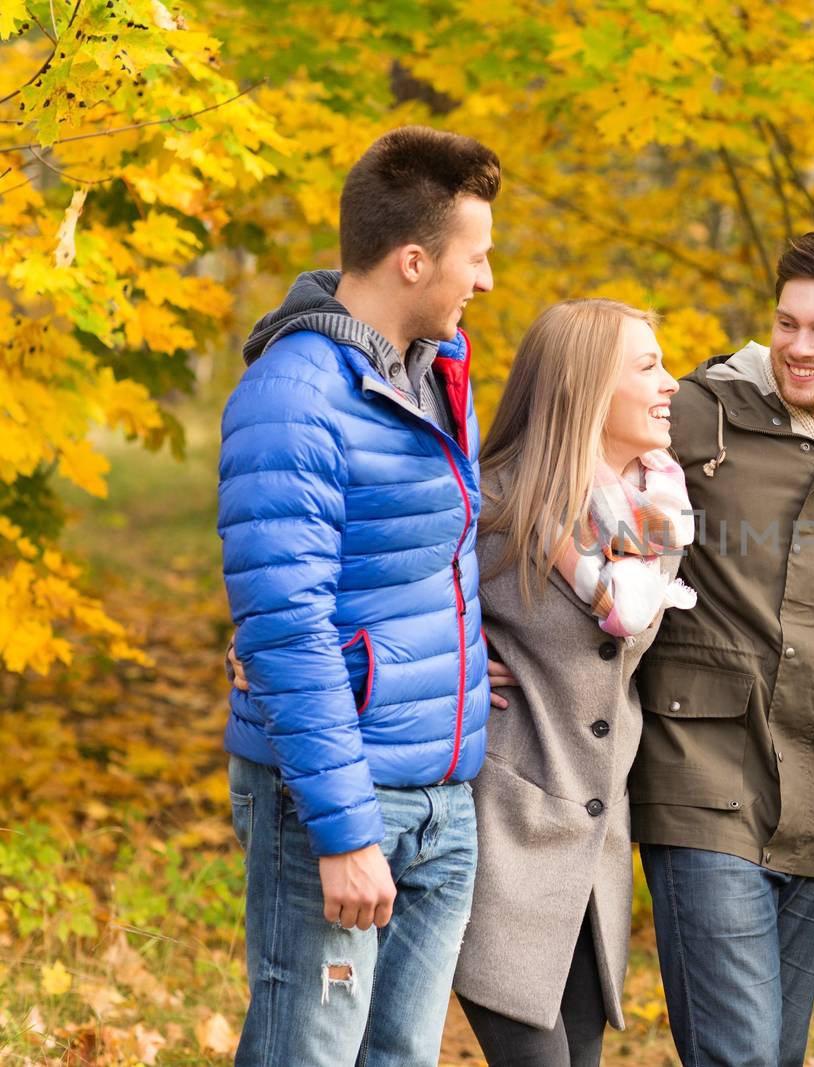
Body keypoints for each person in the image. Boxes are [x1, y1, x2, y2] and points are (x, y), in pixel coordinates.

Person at [217, 126, 498, 1067]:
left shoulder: (428, 373)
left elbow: (421, 564)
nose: (486, 280)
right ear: (414, 259)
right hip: (340, 798)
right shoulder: (294, 395)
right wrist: (343, 831)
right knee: (310, 1051)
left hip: (439, 796)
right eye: (477, 256)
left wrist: (458, 668)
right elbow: (286, 625)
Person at [628, 228, 814, 1067]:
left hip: (813, 794)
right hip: (698, 771)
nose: (799, 347)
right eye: (788, 323)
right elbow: (545, 483)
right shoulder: (694, 412)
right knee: (740, 1054)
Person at [452, 299, 695, 1067]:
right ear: (588, 386)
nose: (673, 383)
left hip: (594, 850)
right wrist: (452, 664)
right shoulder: (490, 501)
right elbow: (384, 598)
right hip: (505, 828)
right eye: (649, 366)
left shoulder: (658, 512)